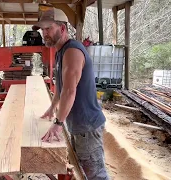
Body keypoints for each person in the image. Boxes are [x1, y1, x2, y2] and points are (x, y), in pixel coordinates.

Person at [34, 4, 110, 180]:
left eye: (48, 29)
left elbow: (69, 91)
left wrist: (58, 124)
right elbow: (61, 86)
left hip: (87, 126)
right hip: (79, 125)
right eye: (42, 30)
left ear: (62, 28)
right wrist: (52, 107)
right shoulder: (61, 51)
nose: (44, 33)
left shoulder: (72, 51)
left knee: (95, 176)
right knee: (81, 170)